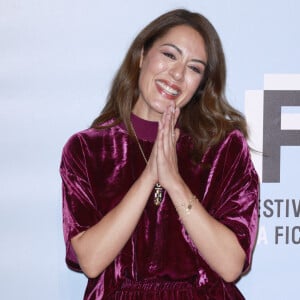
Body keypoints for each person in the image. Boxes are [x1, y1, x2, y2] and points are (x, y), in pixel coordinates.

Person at [60, 8, 259, 300]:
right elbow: (91, 262)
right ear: (142, 56)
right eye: (169, 55)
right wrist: (150, 175)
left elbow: (231, 266)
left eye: (194, 68)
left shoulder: (224, 148)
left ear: (201, 86)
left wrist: (175, 183)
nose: (177, 73)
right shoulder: (87, 150)